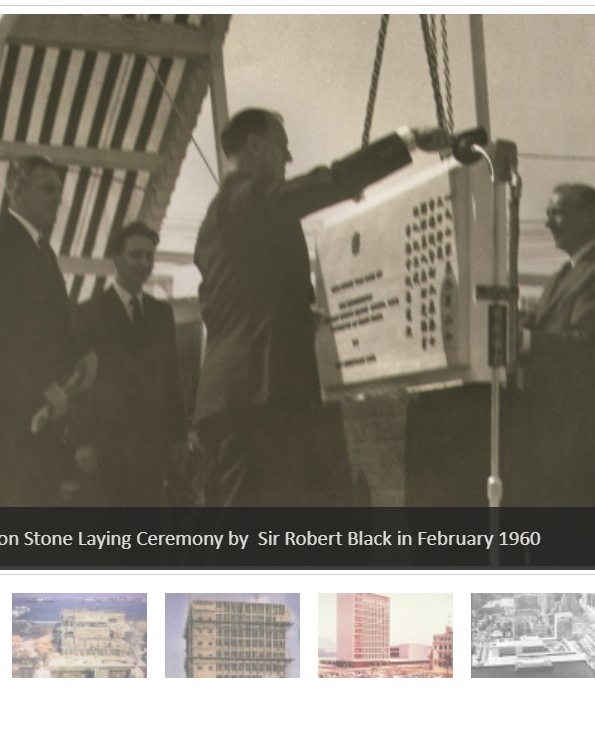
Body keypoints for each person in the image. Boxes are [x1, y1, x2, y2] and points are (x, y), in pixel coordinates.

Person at [192, 108, 449, 506]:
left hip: (235, 395)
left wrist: (293, 314)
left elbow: (220, 303)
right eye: (282, 148)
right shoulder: (245, 198)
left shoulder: (218, 222)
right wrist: (407, 139)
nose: (288, 159)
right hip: (260, 394)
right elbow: (328, 181)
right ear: (255, 145)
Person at [0, 155, 93, 506]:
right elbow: (2, 327)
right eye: (48, 189)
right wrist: (42, 384)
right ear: (15, 190)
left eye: (60, 191)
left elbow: (54, 325)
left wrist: (81, 359)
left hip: (39, 416)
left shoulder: (42, 251)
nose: (58, 199)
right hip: (11, 417)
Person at [511, 183, 595, 507]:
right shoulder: (558, 278)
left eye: (556, 213)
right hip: (543, 440)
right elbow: (546, 329)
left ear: (590, 216)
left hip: (577, 442)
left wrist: (523, 340)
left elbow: (589, 345)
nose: (548, 223)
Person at [70, 221, 185, 506]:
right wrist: (83, 440)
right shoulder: (89, 313)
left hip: (151, 449)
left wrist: (178, 436)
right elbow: (78, 382)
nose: (144, 263)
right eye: (135, 255)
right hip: (104, 449)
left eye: (149, 256)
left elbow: (172, 378)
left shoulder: (162, 314)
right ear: (116, 258)